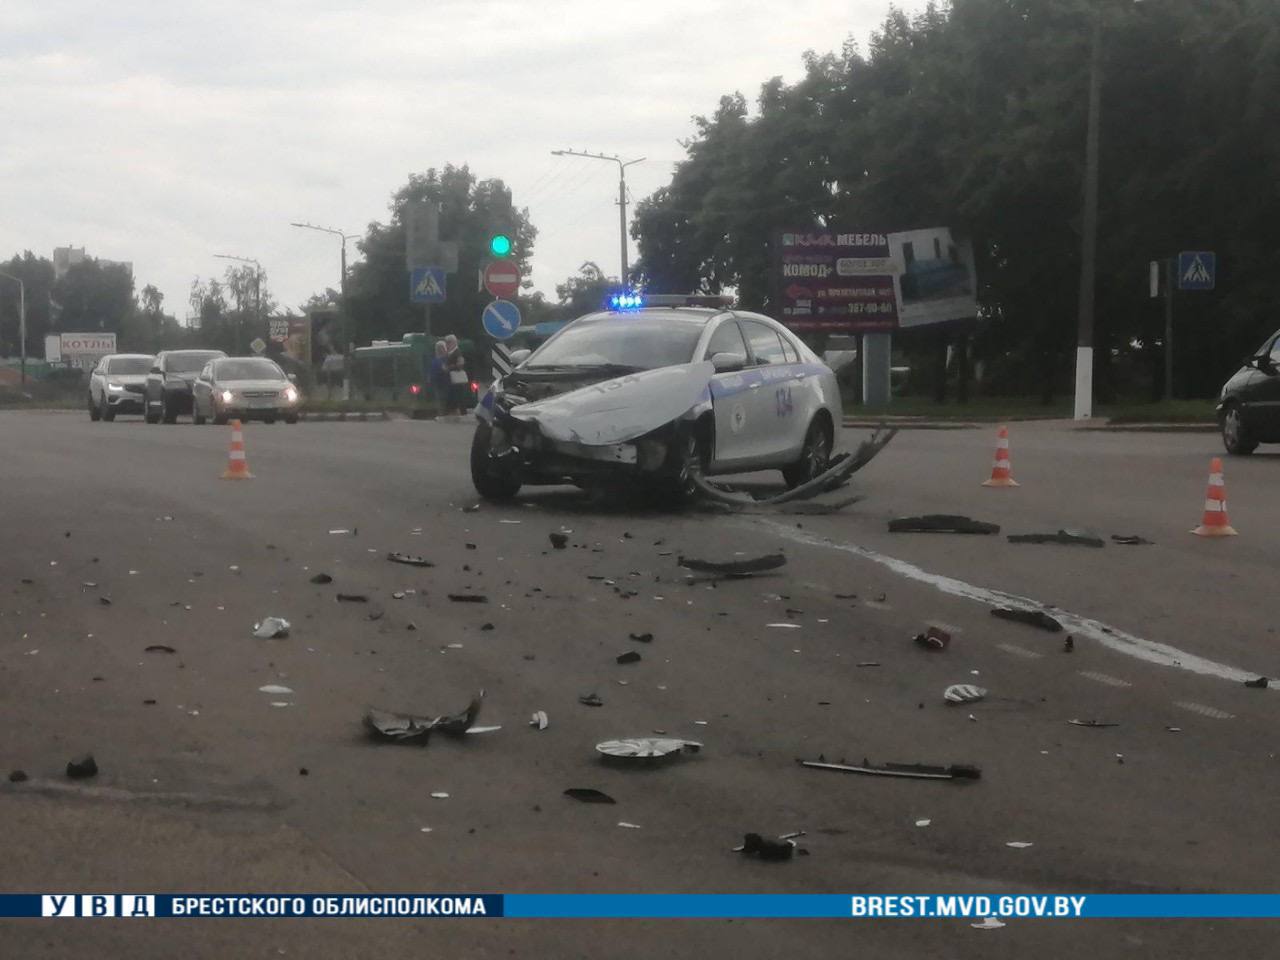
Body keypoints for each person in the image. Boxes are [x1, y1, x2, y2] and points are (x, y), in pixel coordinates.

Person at [445, 334, 469, 415]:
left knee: (459, 396)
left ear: (453, 342)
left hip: (457, 378)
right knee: (456, 396)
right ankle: (457, 411)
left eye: (448, 343)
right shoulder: (452, 352)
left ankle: (462, 412)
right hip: (453, 378)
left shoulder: (457, 352)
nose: (447, 345)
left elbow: (461, 363)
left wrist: (450, 367)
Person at [428, 340, 451, 418]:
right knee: (442, 400)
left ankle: (441, 414)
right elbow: (445, 369)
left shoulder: (435, 360)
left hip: (438, 383)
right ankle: (442, 414)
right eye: (444, 348)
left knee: (440, 400)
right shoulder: (440, 360)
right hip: (442, 383)